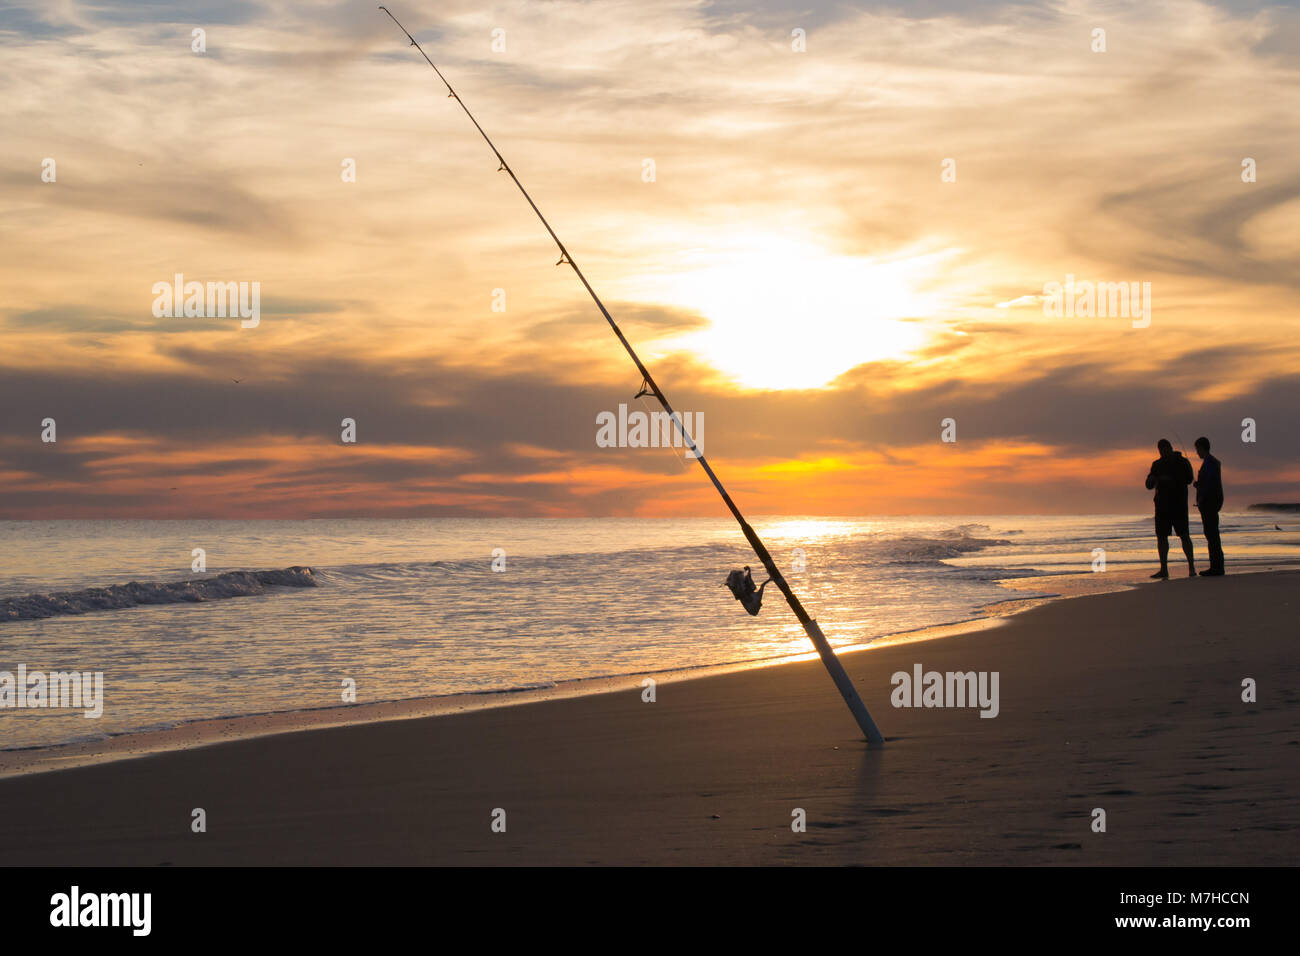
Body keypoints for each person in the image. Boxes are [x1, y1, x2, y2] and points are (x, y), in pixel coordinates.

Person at [1145, 438, 1195, 578]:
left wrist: (1170, 479)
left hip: (1178, 505)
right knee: (1161, 537)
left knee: (1184, 535)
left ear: (1170, 448)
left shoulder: (1182, 461)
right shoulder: (1157, 464)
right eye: (1160, 450)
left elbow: (1189, 479)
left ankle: (1191, 567)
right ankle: (1164, 569)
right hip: (1162, 506)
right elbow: (1149, 484)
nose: (1162, 452)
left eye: (1165, 448)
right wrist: (1151, 480)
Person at [1193, 436, 1225, 576]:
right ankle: (1216, 566)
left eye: (1197, 449)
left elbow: (1209, 484)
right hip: (1211, 502)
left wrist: (1200, 488)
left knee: (1212, 535)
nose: (1196, 453)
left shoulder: (1210, 463)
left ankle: (1216, 567)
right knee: (1212, 535)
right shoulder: (1211, 463)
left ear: (1202, 448)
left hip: (1209, 503)